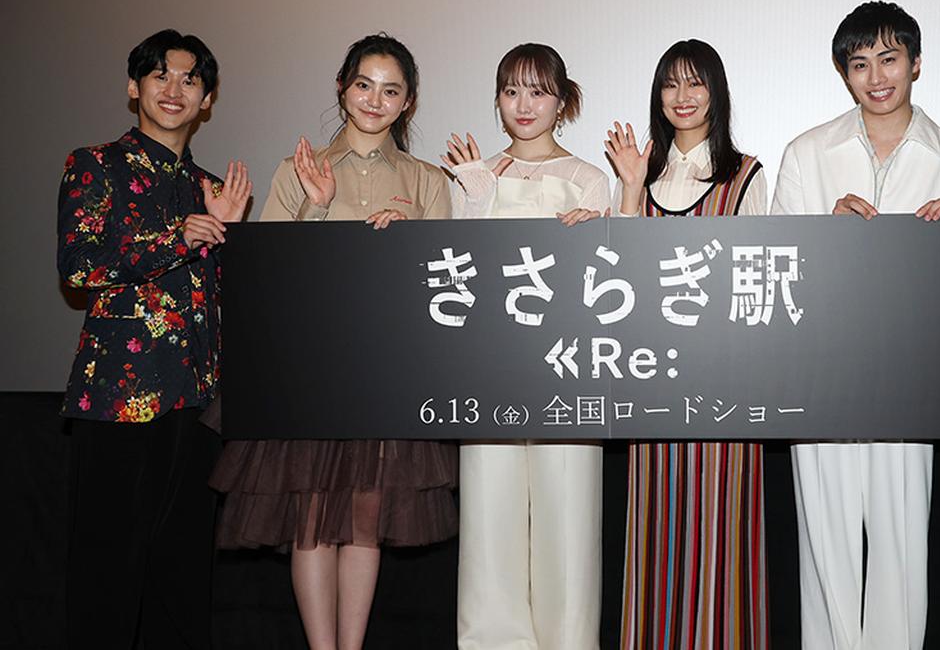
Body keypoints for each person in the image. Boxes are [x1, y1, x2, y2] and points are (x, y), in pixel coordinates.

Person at [208, 33, 457, 650]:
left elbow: (447, 289)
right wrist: (317, 208)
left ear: (408, 102)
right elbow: (269, 279)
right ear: (342, 88)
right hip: (307, 371)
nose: (375, 99)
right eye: (364, 84)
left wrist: (410, 246)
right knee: (312, 519)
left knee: (366, 519)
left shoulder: (428, 180)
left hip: (386, 373)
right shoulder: (298, 169)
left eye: (391, 90)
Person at [771, 2, 940, 650]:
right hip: (823, 374)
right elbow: (777, 270)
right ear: (845, 73)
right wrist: (826, 237)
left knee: (901, 541)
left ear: (916, 63)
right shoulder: (807, 153)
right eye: (860, 63)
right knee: (824, 542)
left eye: (889, 59)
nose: (876, 77)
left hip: (912, 379)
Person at [57, 29, 251, 649]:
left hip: (197, 402)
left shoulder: (211, 188)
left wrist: (232, 237)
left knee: (184, 574)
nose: (175, 89)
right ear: (133, 86)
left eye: (190, 80)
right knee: (106, 570)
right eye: (161, 75)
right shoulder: (95, 164)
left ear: (207, 99)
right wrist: (178, 238)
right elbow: (79, 267)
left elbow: (226, 298)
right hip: (118, 398)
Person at [441, 43, 610, 649]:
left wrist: (600, 229)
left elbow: (612, 281)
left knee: (569, 509)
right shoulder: (475, 174)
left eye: (538, 91)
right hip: (491, 365)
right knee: (489, 511)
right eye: (511, 90)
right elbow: (456, 273)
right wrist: (475, 195)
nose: (524, 104)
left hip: (569, 367)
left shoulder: (589, 179)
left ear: (563, 102)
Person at [604, 38, 769, 649]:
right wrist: (628, 186)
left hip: (724, 387)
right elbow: (614, 275)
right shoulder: (640, 174)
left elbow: (757, 287)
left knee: (723, 532)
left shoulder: (745, 175)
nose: (683, 96)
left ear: (716, 92)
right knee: (654, 531)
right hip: (650, 383)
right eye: (671, 83)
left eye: (696, 82)